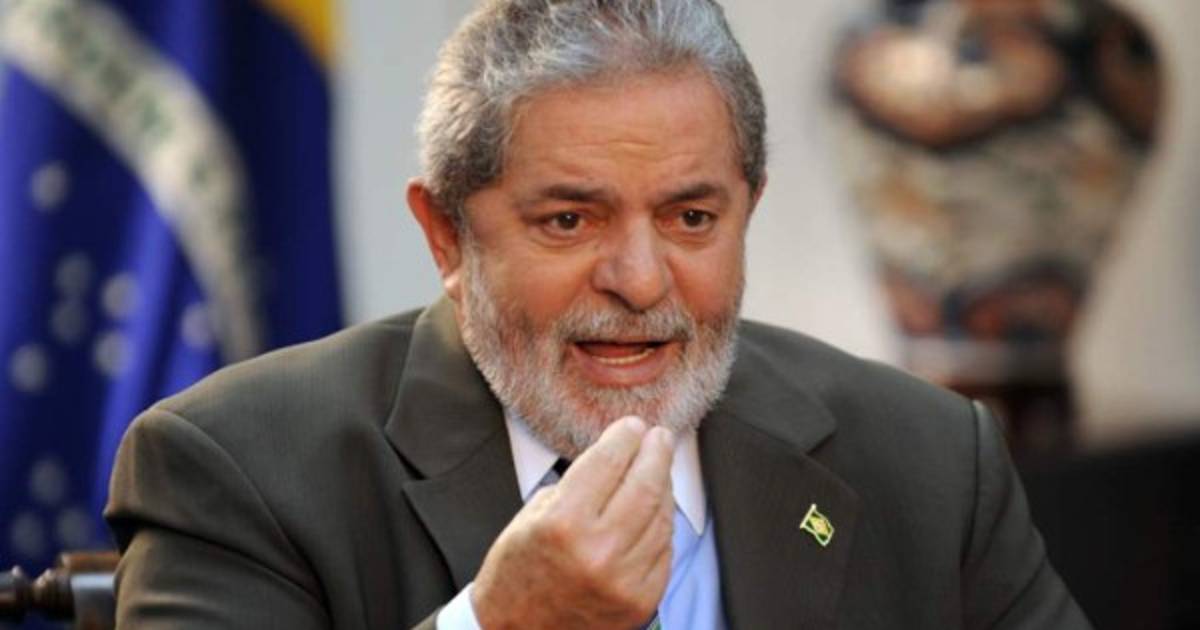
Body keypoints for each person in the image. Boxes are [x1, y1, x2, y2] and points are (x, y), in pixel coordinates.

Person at [104, 0, 1093, 628]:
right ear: (447, 236)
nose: (640, 281)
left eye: (691, 218)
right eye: (570, 220)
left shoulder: (928, 459)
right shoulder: (237, 468)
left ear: (747, 209)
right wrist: (499, 625)